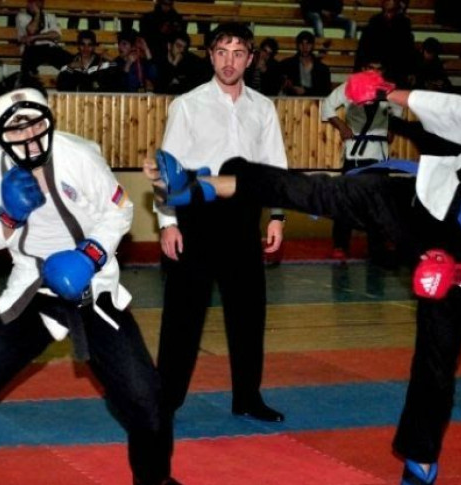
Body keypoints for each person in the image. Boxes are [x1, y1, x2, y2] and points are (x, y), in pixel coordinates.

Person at [145, 74, 461, 485]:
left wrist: (458, 271)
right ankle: (200, 186)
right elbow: (449, 109)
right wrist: (386, 93)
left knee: (438, 360)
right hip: (425, 203)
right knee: (325, 190)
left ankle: (420, 460)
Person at [0, 73, 180, 485]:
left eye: (36, 123)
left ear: (48, 118)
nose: (31, 137)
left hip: (93, 285)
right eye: (18, 129)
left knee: (146, 396)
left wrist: (90, 255)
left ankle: (155, 480)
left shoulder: (78, 154)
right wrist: (9, 215)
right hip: (32, 287)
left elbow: (120, 209)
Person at [153, 22, 288, 466]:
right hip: (195, 216)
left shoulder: (263, 108)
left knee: (249, 314)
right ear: (211, 55)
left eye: (238, 53)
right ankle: (165, 401)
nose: (230, 61)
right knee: (182, 318)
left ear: (250, 58)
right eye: (222, 52)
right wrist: (168, 222)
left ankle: (248, 396)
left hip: (243, 218)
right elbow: (169, 167)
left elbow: (274, 167)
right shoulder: (188, 105)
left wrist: (278, 216)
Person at [321, 59, 402, 261]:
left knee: (378, 202)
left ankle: (377, 245)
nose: (374, 72)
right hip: (355, 153)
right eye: (370, 68)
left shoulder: (389, 90)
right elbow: (328, 105)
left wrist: (392, 128)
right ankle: (340, 244)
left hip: (379, 154)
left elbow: (398, 112)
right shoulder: (350, 86)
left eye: (379, 69)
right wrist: (341, 126)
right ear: (364, 69)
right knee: (346, 199)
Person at [355, 0, 417, 86]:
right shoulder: (374, 21)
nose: (389, 14)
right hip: (377, 65)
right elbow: (363, 48)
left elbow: (408, 49)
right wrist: (358, 70)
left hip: (396, 67)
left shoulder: (404, 23)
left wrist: (411, 71)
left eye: (392, 11)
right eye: (387, 11)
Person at [16, 0, 73, 77]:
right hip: (32, 49)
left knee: (72, 62)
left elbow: (56, 35)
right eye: (33, 2)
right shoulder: (22, 16)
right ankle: (29, 81)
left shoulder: (50, 16)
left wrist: (33, 37)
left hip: (49, 48)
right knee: (28, 67)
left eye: (39, 2)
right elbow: (32, 30)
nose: (36, 4)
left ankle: (69, 80)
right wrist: (37, 14)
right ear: (28, 3)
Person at [279, 30, 332, 96]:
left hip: (315, 101)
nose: (305, 47)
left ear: (313, 45)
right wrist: (285, 84)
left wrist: (306, 91)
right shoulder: (287, 64)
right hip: (293, 101)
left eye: (308, 44)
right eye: (301, 44)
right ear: (297, 45)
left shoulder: (323, 69)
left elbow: (326, 92)